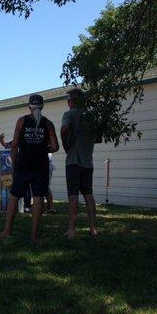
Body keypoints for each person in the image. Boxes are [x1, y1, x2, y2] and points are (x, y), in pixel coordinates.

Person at [0, 94, 59, 242]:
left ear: (29, 107)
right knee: (38, 198)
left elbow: (14, 146)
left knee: (13, 197)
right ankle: (34, 235)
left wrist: (12, 166)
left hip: (23, 166)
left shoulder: (21, 121)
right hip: (41, 166)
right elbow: (55, 147)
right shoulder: (48, 124)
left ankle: (7, 231)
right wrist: (42, 148)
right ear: (42, 106)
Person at [61, 88, 98, 238]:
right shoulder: (91, 117)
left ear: (73, 101)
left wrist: (65, 145)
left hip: (73, 161)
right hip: (88, 162)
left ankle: (72, 229)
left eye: (69, 100)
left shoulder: (69, 114)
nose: (68, 102)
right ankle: (93, 228)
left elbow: (64, 130)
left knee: (73, 195)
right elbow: (98, 137)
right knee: (88, 194)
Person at [0, 132, 32, 212]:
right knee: (15, 187)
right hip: (15, 169)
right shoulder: (14, 141)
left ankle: (27, 205)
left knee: (27, 187)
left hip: (26, 168)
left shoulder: (28, 141)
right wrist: (1, 139)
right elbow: (4, 145)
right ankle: (14, 205)